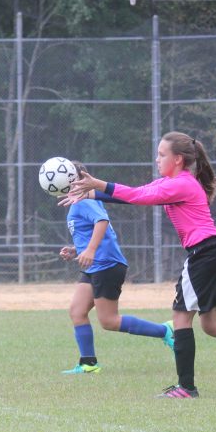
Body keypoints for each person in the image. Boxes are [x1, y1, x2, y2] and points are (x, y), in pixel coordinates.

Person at [62, 132, 216, 398]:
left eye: (162, 154)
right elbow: (139, 194)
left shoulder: (181, 184)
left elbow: (137, 196)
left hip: (204, 255)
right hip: (210, 253)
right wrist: (91, 192)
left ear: (178, 159)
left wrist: (98, 185)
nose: (157, 159)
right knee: (212, 325)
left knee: (181, 318)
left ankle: (186, 388)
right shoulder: (172, 182)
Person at [57, 161, 174, 375]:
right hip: (95, 266)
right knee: (77, 311)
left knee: (109, 321)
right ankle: (88, 363)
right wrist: (77, 250)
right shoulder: (79, 201)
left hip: (106, 265)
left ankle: (165, 330)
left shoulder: (85, 200)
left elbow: (102, 221)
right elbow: (93, 229)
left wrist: (90, 250)